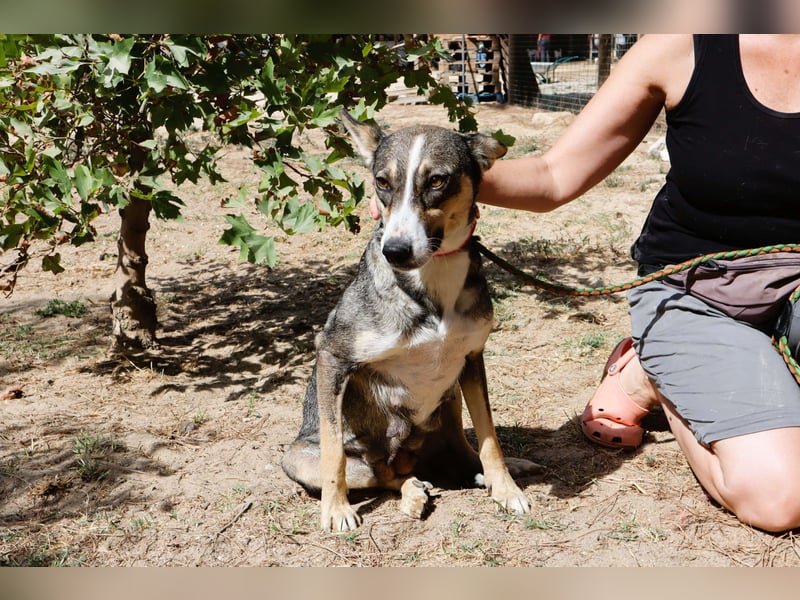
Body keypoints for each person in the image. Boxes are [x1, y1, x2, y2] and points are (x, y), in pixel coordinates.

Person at [473, 34, 800, 533]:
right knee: (780, 499)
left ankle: (747, 368)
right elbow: (552, 176)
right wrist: (431, 181)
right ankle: (654, 372)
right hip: (695, 294)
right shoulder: (677, 46)